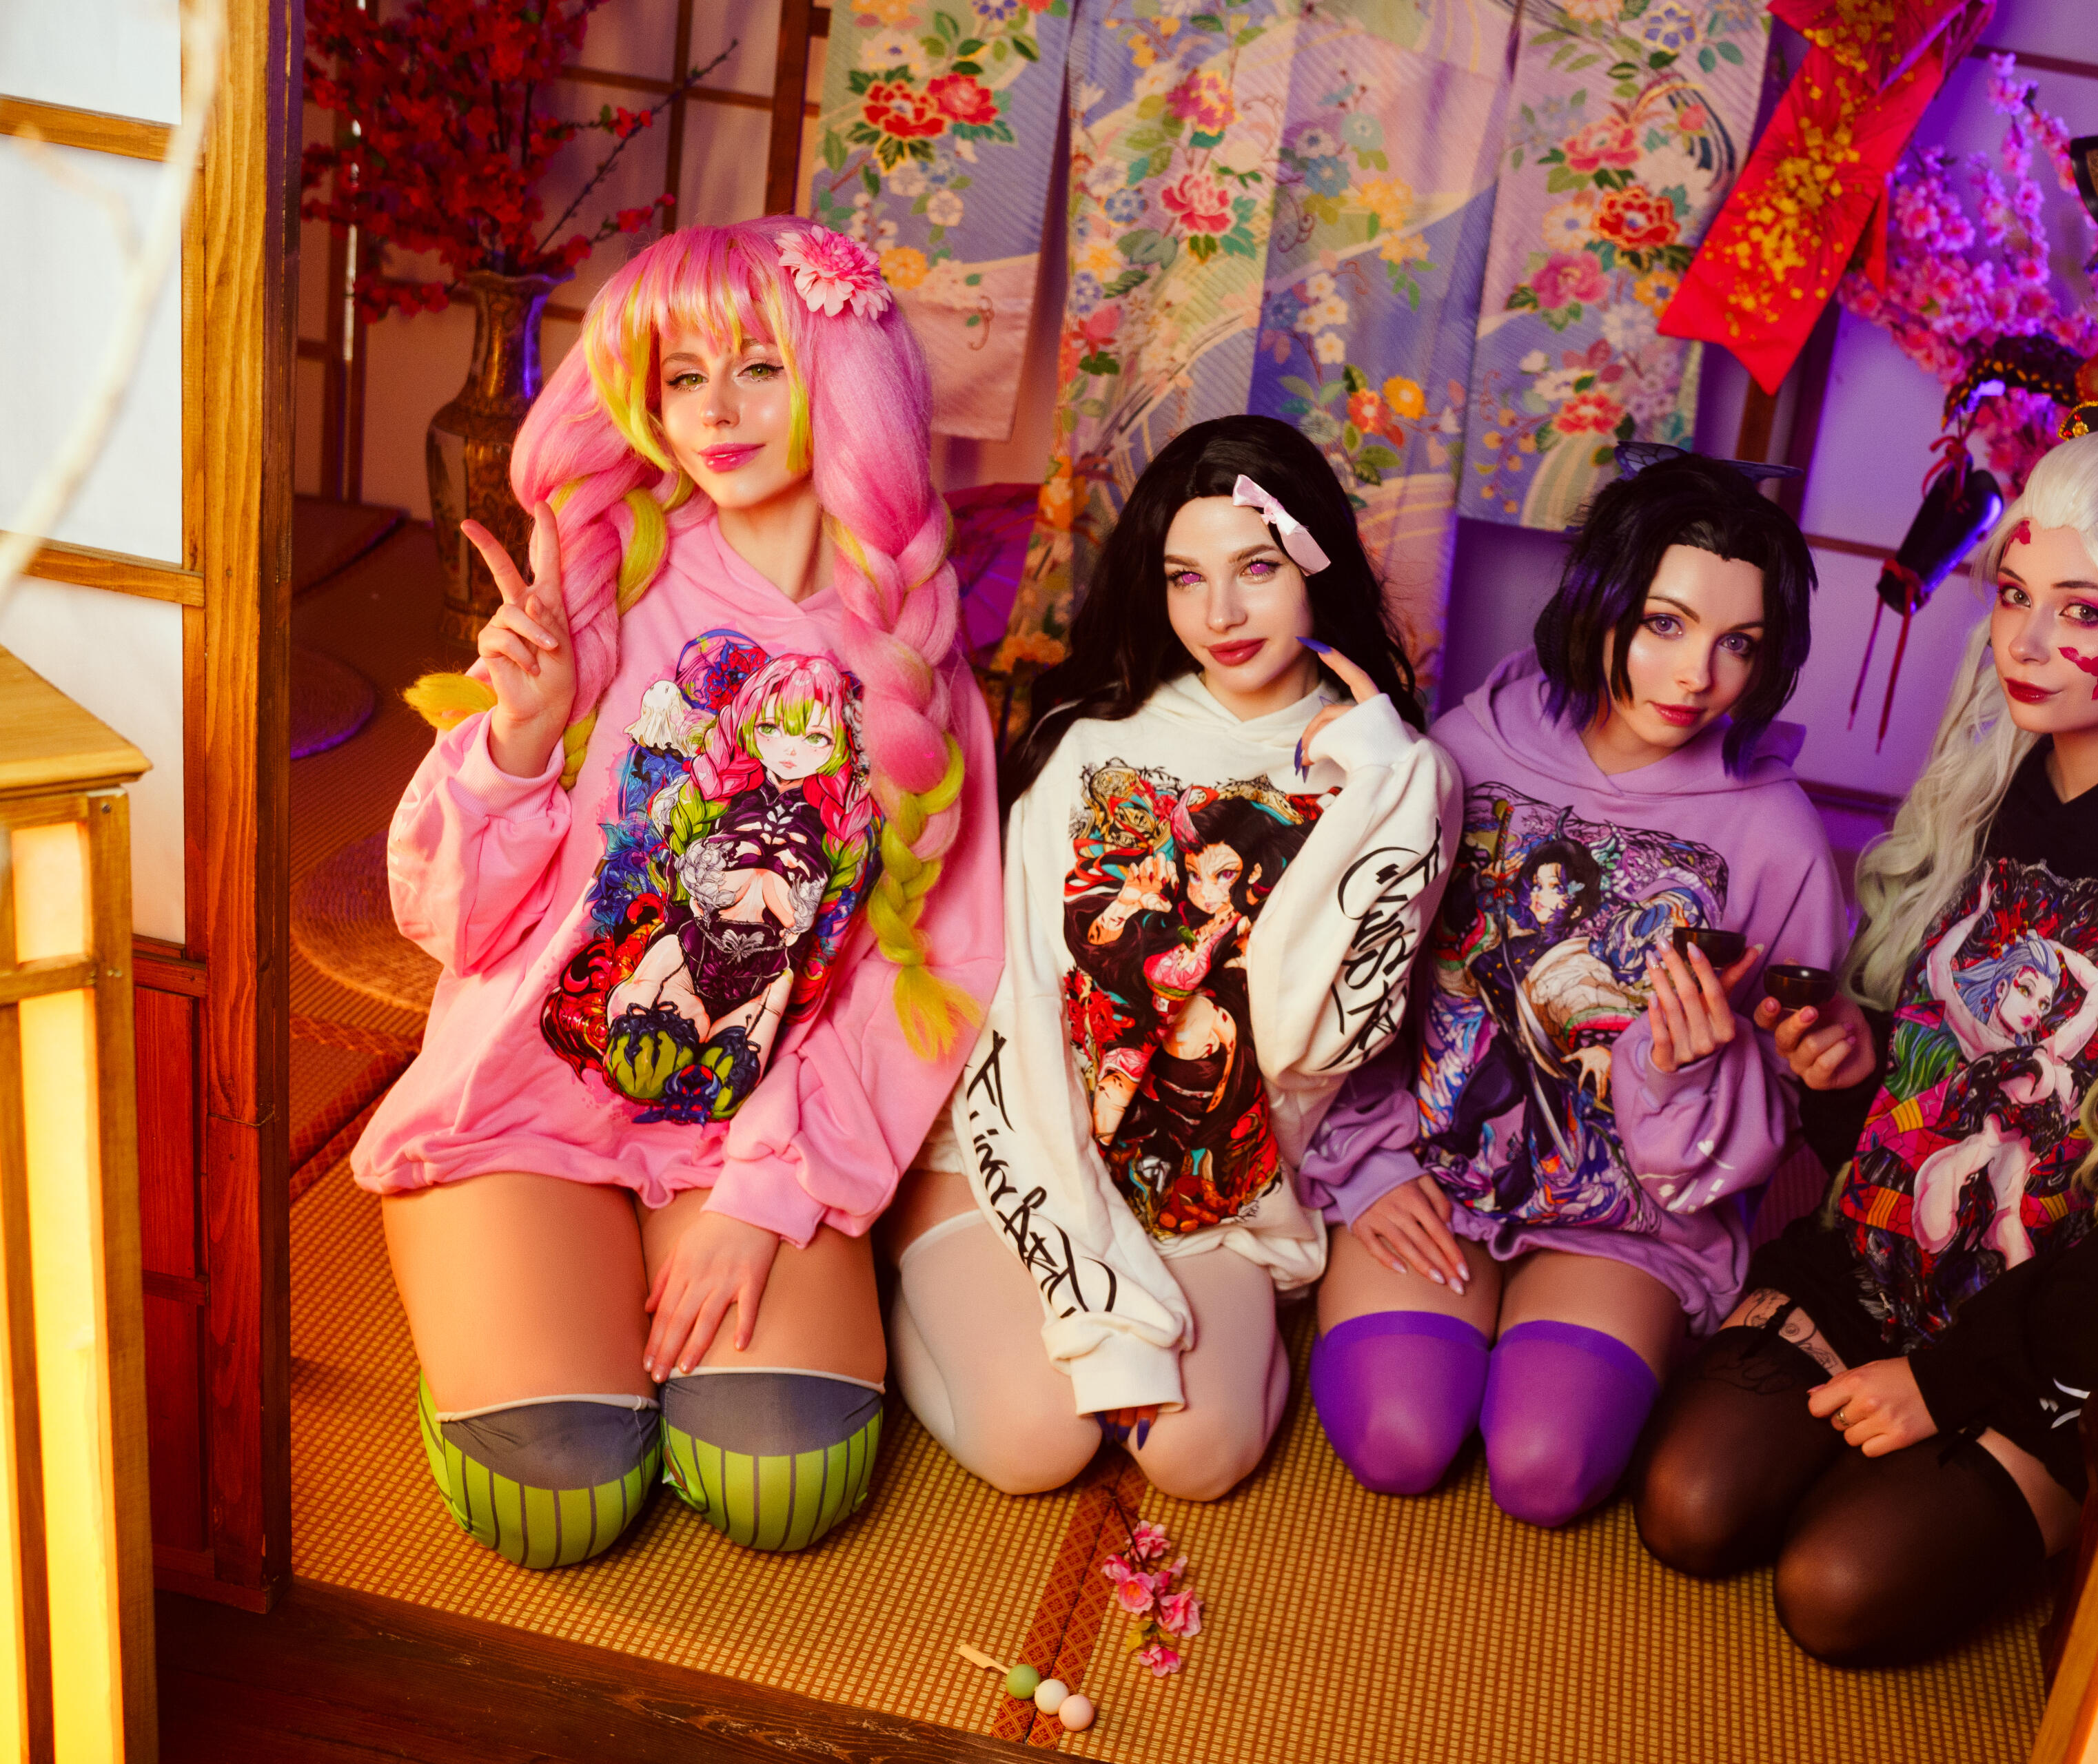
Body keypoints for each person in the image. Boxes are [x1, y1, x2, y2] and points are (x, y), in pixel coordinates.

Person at [1631, 389, 2098, 1663]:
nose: (2030, 641)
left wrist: (1945, 1386)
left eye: (2084, 614)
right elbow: (1897, 1118)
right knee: (1691, 1504)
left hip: (2053, 1338)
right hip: (1884, 1263)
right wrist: (1844, 1068)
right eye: (2015, 595)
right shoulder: (1976, 796)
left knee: (1838, 1591)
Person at [356, 219, 1001, 1567]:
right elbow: (455, 921)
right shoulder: (604, 580)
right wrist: (517, 740)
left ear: (842, 381)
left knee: (783, 1479)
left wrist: (764, 1200)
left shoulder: (912, 657)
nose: (715, 411)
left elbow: (924, 973)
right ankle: (524, 1273)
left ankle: (703, 1264)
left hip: (752, 1122)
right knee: (556, 1494)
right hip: (536, 1092)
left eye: (759, 367)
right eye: (682, 376)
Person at [882, 415, 1460, 1499]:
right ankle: (907, 1287)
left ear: (1317, 562)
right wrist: (1086, 1266)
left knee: (1196, 1460)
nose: (1220, 614)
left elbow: (1314, 1042)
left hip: (1211, 1183)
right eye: (1185, 579)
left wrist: (1384, 786)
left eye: (1256, 569)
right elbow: (1023, 1008)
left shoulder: (1396, 775)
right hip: (1023, 1143)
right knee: (1036, 1444)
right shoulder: (1090, 744)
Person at [1295, 449, 1844, 1528]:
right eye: (1666, 624)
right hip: (1436, 1172)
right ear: (1600, 600)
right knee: (1399, 1439)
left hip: (1627, 1217)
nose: (1697, 677)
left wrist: (1683, 1069)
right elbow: (1372, 976)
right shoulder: (1468, 748)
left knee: (1543, 1471)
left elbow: (1775, 1107)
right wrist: (1369, 1163)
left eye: (1740, 643)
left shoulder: (1780, 840)